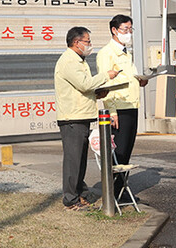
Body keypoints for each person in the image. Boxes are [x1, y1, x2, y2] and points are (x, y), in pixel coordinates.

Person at [54, 26, 119, 211]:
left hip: (80, 115)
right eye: (87, 42)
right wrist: (107, 76)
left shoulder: (78, 61)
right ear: (76, 42)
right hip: (72, 118)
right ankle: (70, 199)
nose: (90, 45)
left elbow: (82, 89)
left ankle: (79, 193)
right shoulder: (69, 61)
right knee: (73, 160)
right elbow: (84, 85)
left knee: (80, 159)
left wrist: (97, 93)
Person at [96, 14, 148, 201]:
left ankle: (121, 190)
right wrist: (112, 111)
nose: (128, 33)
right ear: (114, 30)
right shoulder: (106, 53)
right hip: (118, 109)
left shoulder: (126, 52)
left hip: (131, 106)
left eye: (130, 29)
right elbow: (105, 84)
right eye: (125, 30)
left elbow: (127, 78)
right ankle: (112, 193)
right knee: (117, 152)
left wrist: (140, 81)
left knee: (126, 152)